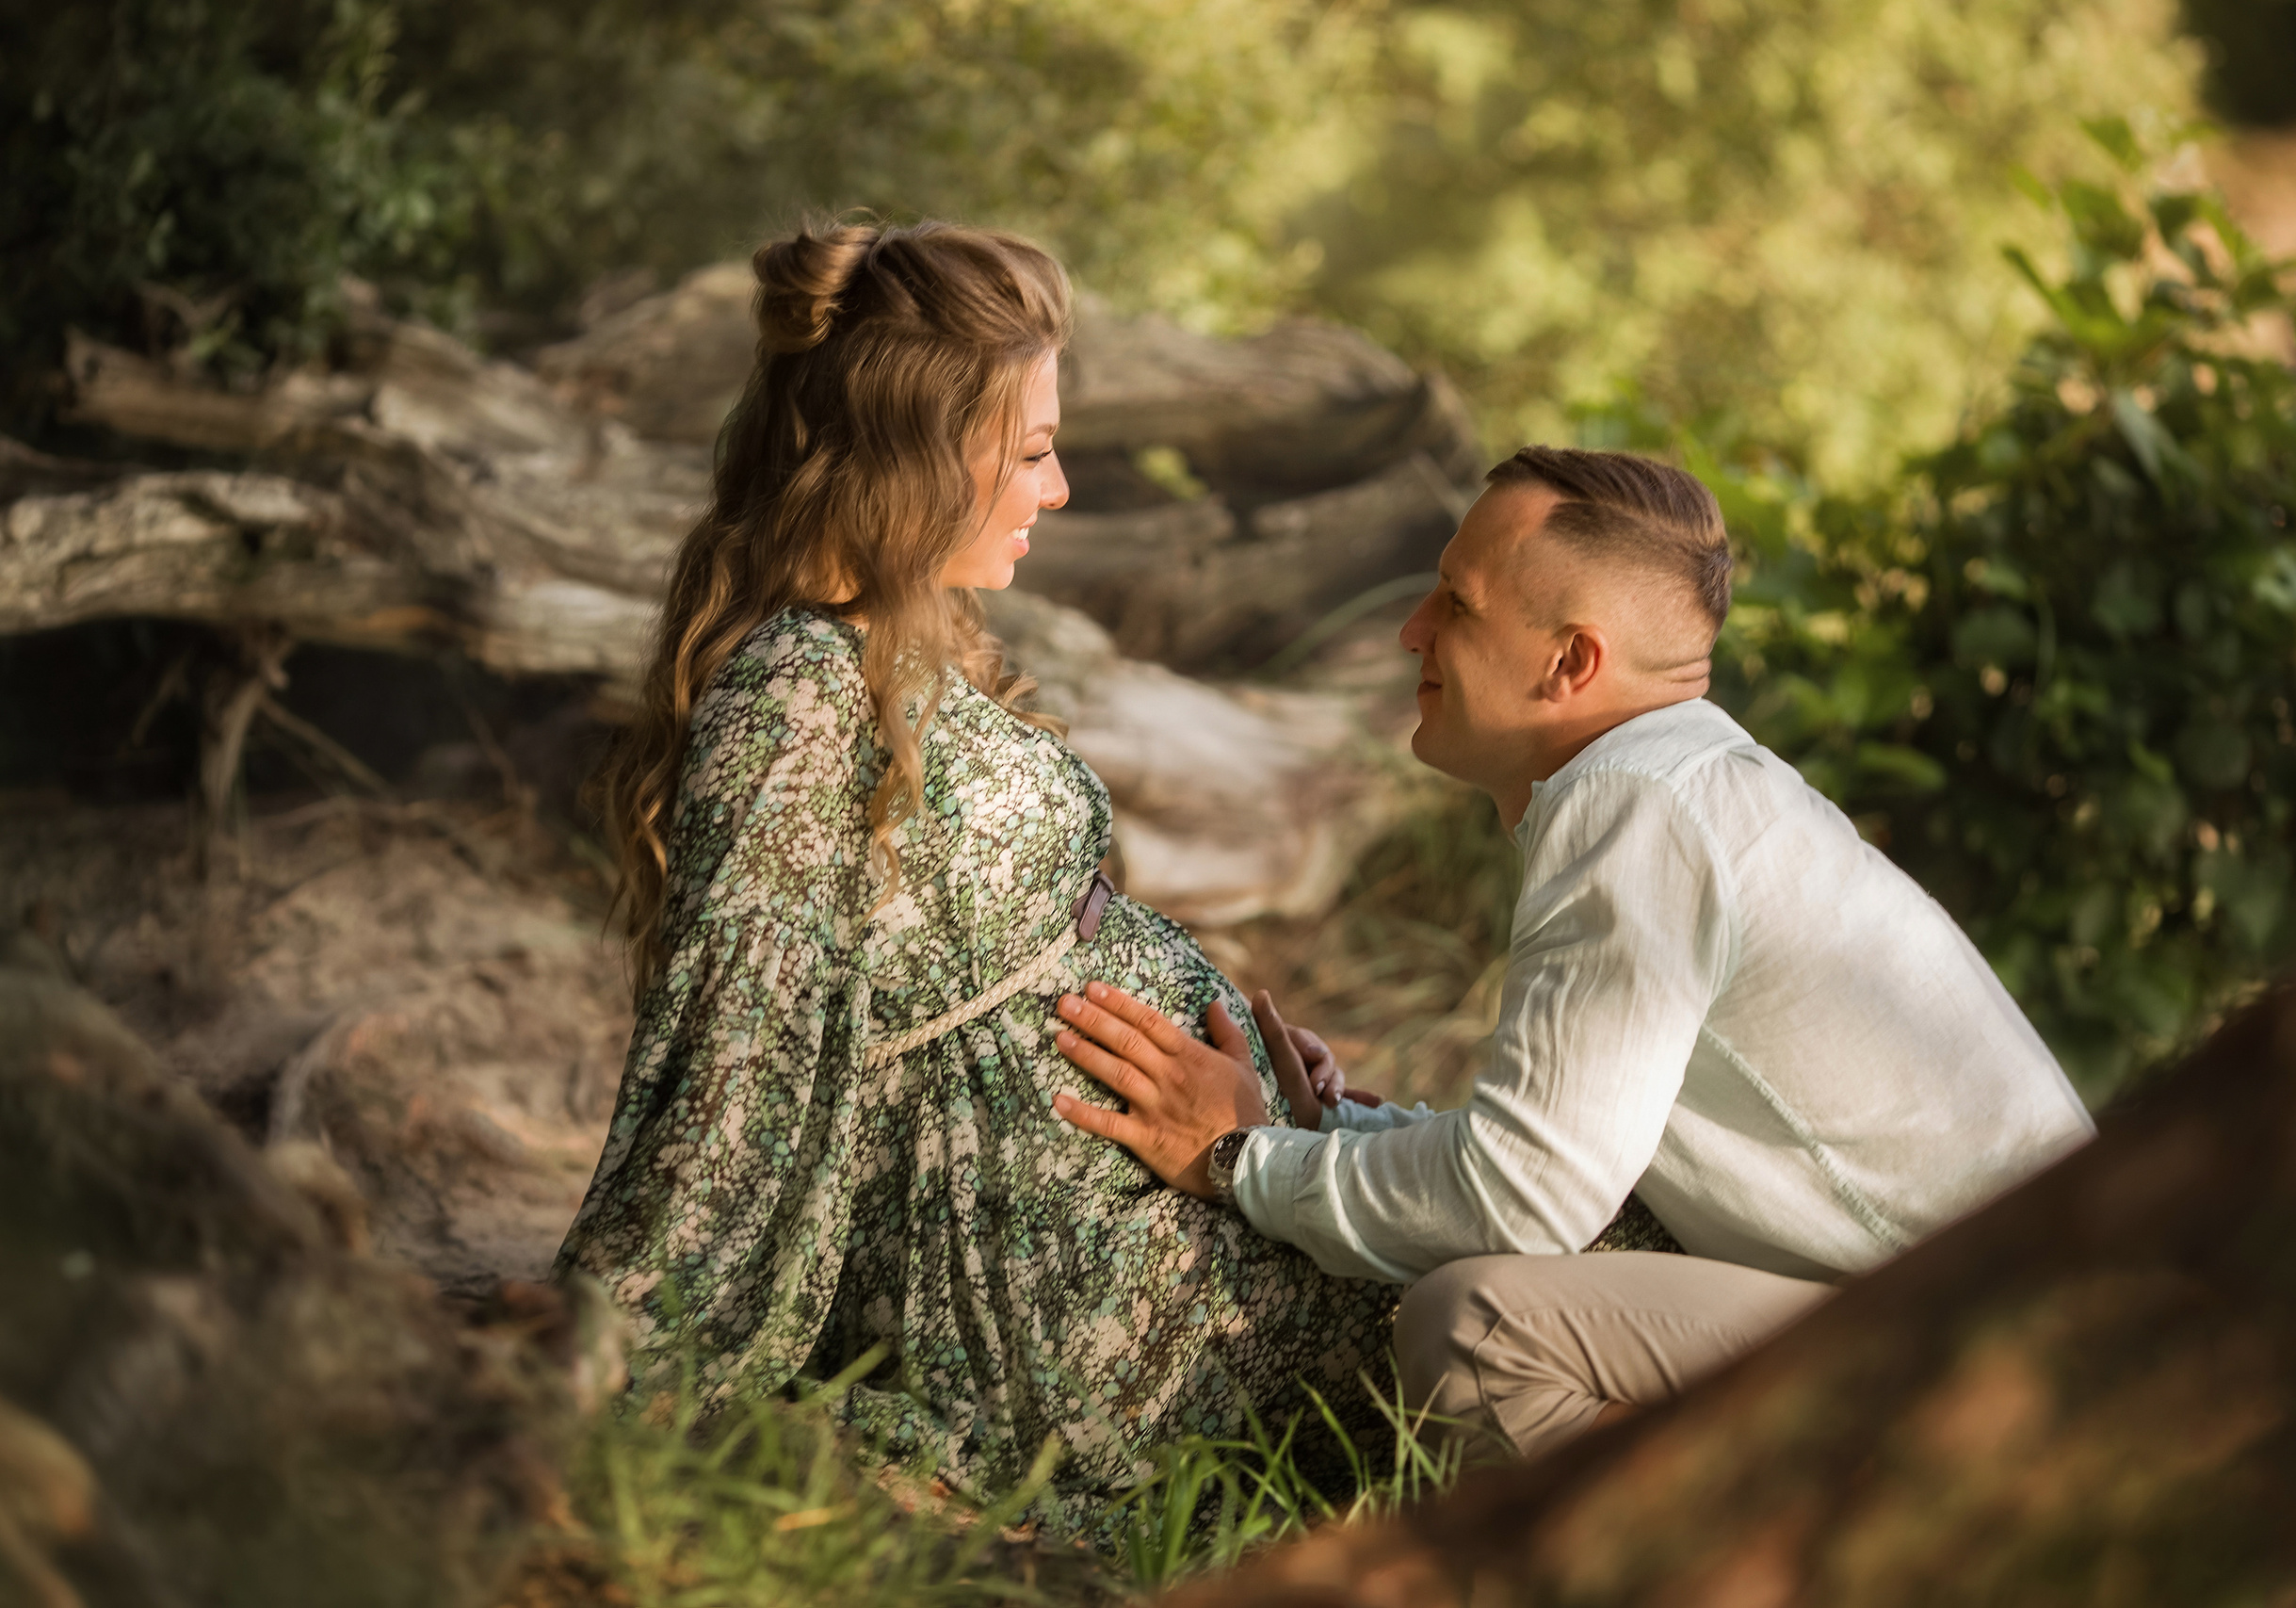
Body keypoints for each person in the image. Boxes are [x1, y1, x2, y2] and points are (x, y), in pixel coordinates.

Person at [552, 218, 1394, 1535]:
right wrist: (618, 1343)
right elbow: (733, 1071)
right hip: (1059, 1286)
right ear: (913, 454)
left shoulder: (885, 648)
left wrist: (1253, 1085)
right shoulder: (792, 700)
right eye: (1035, 451)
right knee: (1529, 1273)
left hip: (1163, 1167)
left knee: (1556, 1233)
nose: (1055, 492)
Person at [1052, 446, 2096, 1459]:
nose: (1410, 633)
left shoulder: (1633, 805)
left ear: (1570, 662)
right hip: (1993, 1328)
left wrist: (1242, 1159)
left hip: (1995, 1366)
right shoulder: (1682, 783)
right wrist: (1344, 1127)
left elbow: (1527, 1197)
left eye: (1454, 605)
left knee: (1476, 1333)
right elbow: (1581, 1164)